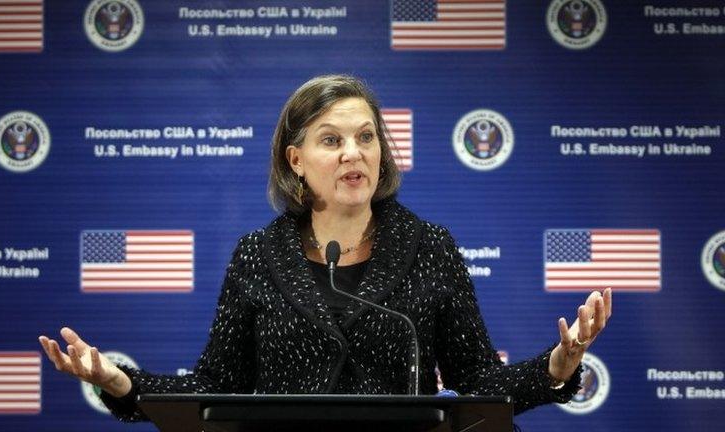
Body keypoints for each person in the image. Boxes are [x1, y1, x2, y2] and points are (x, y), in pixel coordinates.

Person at [39, 75, 612, 421]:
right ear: (296, 160)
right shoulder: (257, 257)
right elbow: (213, 386)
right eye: (331, 140)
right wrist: (119, 381)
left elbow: (482, 384)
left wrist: (558, 366)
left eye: (366, 137)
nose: (353, 154)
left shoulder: (430, 247)